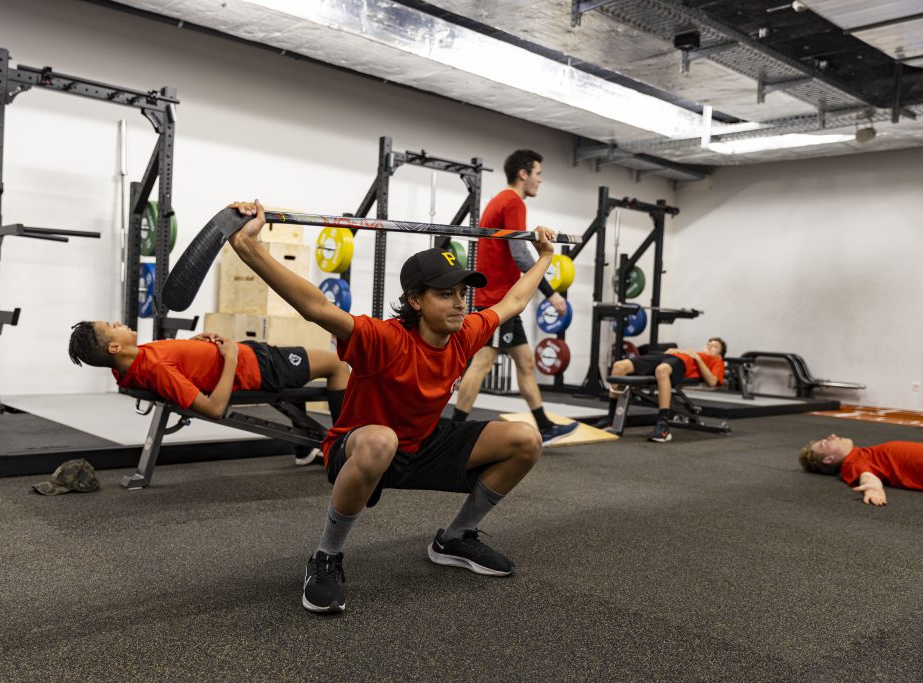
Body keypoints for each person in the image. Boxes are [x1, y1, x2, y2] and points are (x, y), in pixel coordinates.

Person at [226, 199, 555, 615]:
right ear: (415, 300)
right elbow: (315, 307)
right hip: (360, 448)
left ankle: (455, 538)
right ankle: (326, 557)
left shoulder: (463, 334)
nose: (460, 303)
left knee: (526, 439)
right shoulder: (384, 339)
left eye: (461, 293)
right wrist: (248, 247)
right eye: (445, 294)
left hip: (422, 445)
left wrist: (544, 258)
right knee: (382, 440)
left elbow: (513, 302)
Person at [67, 321, 349, 463]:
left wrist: (195, 346)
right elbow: (214, 409)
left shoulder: (127, 366)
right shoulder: (155, 369)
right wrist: (231, 358)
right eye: (112, 326)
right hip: (257, 367)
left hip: (249, 356)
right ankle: (343, 451)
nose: (118, 323)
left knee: (307, 374)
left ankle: (305, 446)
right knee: (338, 365)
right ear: (114, 348)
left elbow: (175, 366)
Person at [451, 149, 578, 446]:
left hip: (503, 300)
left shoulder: (502, 200)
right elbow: (520, 253)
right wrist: (550, 293)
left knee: (525, 362)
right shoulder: (513, 202)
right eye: (538, 174)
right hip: (498, 301)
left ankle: (544, 425)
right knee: (482, 363)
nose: (540, 180)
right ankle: (453, 429)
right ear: (523, 174)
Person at [595, 337, 728, 443]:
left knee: (662, 370)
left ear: (720, 355)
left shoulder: (717, 361)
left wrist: (697, 358)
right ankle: (611, 417)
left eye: (714, 346)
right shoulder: (692, 353)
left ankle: (663, 425)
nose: (709, 346)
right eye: (708, 343)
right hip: (668, 357)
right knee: (619, 366)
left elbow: (712, 382)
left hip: (681, 364)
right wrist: (678, 351)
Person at [798, 434, 923, 506]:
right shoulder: (852, 463)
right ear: (829, 459)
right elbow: (866, 476)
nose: (832, 436)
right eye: (825, 443)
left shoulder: (862, 454)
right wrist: (873, 487)